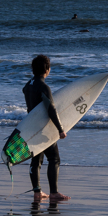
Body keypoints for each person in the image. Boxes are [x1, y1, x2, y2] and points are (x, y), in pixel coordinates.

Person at [23, 55, 68, 201]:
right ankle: (54, 193)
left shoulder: (28, 85)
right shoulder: (44, 87)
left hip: (31, 126)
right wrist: (60, 129)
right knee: (54, 158)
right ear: (47, 69)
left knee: (36, 160)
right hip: (43, 128)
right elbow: (51, 109)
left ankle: (37, 192)